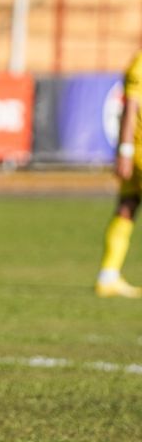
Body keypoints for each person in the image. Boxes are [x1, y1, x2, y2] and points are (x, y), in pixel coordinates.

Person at [95, 50, 142, 298]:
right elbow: (130, 108)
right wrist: (125, 150)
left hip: (134, 151)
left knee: (127, 206)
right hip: (138, 150)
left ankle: (108, 276)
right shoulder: (140, 66)